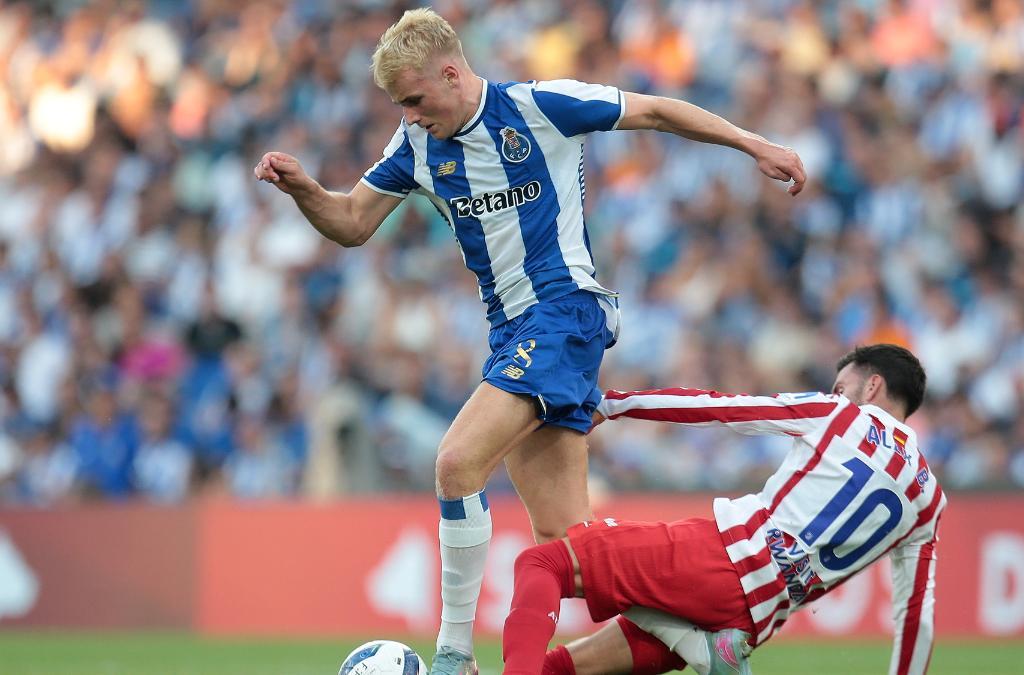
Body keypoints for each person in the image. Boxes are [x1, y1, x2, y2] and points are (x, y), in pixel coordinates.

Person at [253, 8, 807, 674]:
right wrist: (306, 190)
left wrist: (756, 145)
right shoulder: (416, 145)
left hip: (563, 312)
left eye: (416, 100)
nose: (409, 115)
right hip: (512, 330)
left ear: (453, 74)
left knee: (457, 460)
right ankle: (702, 639)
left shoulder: (540, 105)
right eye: (399, 104)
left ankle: (454, 654)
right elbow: (349, 222)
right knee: (569, 543)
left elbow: (656, 111)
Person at [501, 344, 946, 675]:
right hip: (752, 622)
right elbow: (915, 618)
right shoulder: (928, 503)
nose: (836, 392)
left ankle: (703, 650)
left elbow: (721, 408)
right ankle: (705, 650)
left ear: (873, 384)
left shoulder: (842, 415)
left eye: (841, 385)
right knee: (561, 668)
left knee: (542, 561)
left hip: (719, 560)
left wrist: (616, 403)